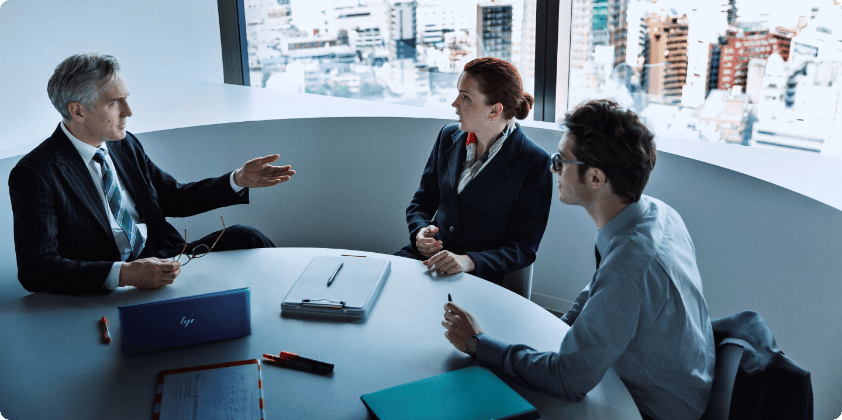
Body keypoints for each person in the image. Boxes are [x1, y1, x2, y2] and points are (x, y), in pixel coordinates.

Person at [442, 99, 715, 420]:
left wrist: (477, 343)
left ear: (596, 178)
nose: (552, 167)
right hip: (686, 386)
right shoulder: (659, 215)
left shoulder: (629, 268)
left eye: (561, 161)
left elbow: (567, 380)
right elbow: (597, 294)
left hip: (650, 411)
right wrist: (551, 330)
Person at [9, 53, 296, 295]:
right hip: (112, 279)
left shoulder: (124, 144)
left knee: (246, 237)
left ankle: (288, 300)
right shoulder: (35, 172)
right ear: (78, 111)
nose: (128, 111)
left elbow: (172, 198)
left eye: (126, 99)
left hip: (164, 256)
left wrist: (237, 180)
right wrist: (125, 274)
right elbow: (36, 267)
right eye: (114, 103)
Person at [395, 57, 553, 286]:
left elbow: (523, 249)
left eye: (465, 97)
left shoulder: (534, 162)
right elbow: (421, 202)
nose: (455, 103)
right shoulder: (447, 136)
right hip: (425, 258)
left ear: (495, 110)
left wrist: (468, 261)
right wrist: (419, 233)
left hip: (477, 275)